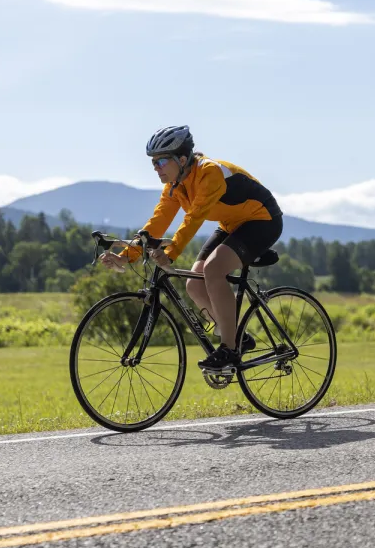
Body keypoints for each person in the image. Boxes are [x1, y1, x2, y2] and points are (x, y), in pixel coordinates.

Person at [99, 125, 284, 373]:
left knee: (214, 269)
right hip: (231, 225)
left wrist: (171, 252)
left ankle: (229, 349)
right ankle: (240, 337)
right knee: (194, 283)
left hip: (262, 220)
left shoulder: (210, 173)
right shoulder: (175, 186)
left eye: (161, 161)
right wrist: (126, 257)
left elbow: (194, 219)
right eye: (153, 162)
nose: (156, 167)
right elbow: (156, 223)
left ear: (182, 159)